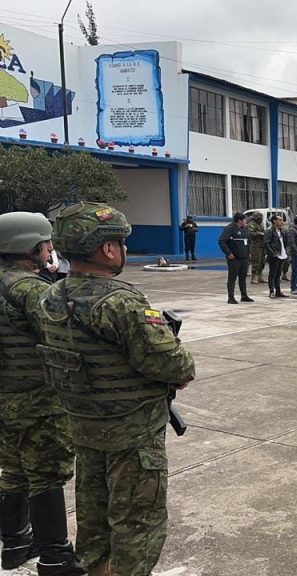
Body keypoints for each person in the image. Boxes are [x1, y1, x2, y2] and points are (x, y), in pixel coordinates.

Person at [36, 202, 195, 576]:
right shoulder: (121, 302)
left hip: (86, 430)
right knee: (137, 526)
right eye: (121, 243)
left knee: (94, 524)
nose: (122, 250)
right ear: (108, 248)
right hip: (132, 435)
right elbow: (176, 365)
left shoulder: (50, 297)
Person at [0, 212, 86, 575]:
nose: (51, 249)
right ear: (30, 247)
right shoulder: (30, 289)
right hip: (39, 401)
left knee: (14, 472)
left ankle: (16, 541)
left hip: (6, 399)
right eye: (46, 243)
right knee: (47, 475)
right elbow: (66, 331)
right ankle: (56, 556)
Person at [218, 212, 253, 304]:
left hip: (244, 258)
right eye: (245, 220)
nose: (246, 221)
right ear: (240, 220)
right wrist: (228, 253)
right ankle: (231, 297)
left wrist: (249, 252)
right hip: (234, 258)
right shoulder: (230, 228)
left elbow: (249, 241)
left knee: (243, 277)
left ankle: (244, 295)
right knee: (232, 278)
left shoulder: (244, 229)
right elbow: (222, 241)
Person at [264, 214, 289, 299]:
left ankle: (278, 291)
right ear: (274, 221)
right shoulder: (269, 231)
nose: (282, 221)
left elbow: (284, 242)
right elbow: (267, 243)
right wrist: (273, 253)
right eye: (280, 220)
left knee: (278, 274)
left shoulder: (282, 231)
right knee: (272, 274)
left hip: (282, 255)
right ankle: (271, 291)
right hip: (274, 255)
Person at [246, 211, 267, 285]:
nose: (261, 219)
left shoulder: (260, 225)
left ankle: (260, 276)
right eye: (260, 218)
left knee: (262, 262)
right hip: (255, 246)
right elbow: (250, 234)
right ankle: (253, 278)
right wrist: (259, 233)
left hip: (262, 245)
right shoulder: (251, 225)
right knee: (256, 261)